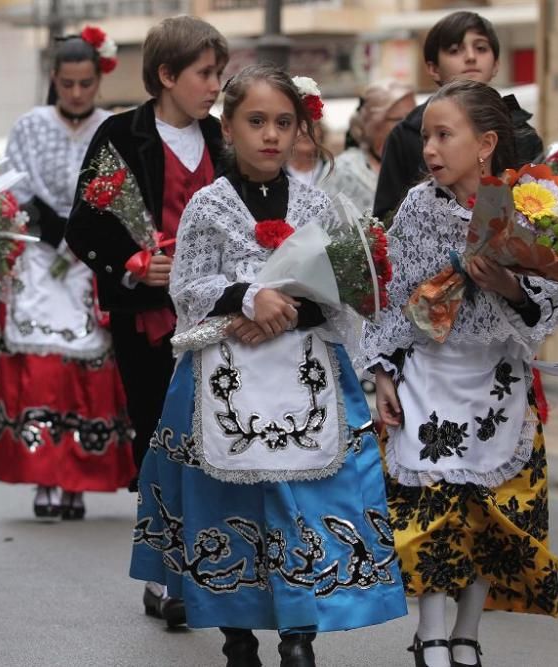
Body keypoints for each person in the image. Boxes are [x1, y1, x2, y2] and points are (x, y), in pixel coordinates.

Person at [130, 64, 408, 667]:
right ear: (227, 126)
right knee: (225, 502)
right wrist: (248, 297)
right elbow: (189, 283)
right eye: (255, 121)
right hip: (223, 371)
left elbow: (346, 291)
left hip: (305, 373)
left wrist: (288, 312)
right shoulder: (208, 204)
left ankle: (299, 631)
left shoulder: (320, 204)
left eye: (284, 123)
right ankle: (236, 634)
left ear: (301, 129)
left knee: (302, 501)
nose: (270, 135)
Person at [361, 80, 558, 667]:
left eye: (443, 134)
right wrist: (382, 374)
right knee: (428, 506)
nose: (429, 147)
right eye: (425, 135)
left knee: (490, 510)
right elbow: (391, 298)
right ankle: (429, 632)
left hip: (497, 379)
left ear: (486, 144)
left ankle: (468, 633)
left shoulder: (528, 205)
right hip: (430, 374)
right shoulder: (418, 208)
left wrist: (511, 287)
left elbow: (548, 304)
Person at [65, 15, 228, 627]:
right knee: (158, 444)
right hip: (147, 322)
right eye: (205, 74)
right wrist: (133, 266)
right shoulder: (120, 134)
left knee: (210, 444)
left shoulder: (223, 140)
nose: (216, 86)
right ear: (166, 75)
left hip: (218, 320)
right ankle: (161, 575)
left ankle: (202, 563)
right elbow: (81, 229)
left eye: (218, 73)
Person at [0, 27, 135, 520]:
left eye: (85, 84)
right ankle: (43, 476)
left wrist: (88, 234)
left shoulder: (114, 128)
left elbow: (123, 195)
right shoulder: (30, 125)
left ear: (99, 80)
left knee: (85, 367)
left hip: (87, 261)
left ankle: (77, 478)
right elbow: (11, 185)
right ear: (54, 79)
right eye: (67, 83)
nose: (76, 93)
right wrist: (47, 223)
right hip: (39, 257)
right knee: (41, 368)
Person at [372, 10, 542, 221]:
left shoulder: (521, 130)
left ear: (496, 64)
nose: (471, 57)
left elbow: (540, 210)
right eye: (455, 50)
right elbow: (385, 222)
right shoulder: (405, 134)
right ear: (433, 68)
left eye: (481, 48)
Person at [322, 79, 415, 214]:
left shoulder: (423, 162)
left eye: (415, 118)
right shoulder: (345, 169)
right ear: (375, 122)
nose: (412, 126)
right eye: (401, 119)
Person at [285, 121, 326, 187]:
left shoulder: (332, 172)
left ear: (321, 133)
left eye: (312, 127)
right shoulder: (274, 174)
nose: (306, 132)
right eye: (300, 126)